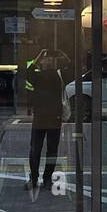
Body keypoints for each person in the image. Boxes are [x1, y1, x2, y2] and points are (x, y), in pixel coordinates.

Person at [21, 40, 69, 202]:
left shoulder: (56, 74)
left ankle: (43, 179)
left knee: (45, 149)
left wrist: (52, 54)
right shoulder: (42, 75)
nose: (47, 61)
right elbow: (28, 72)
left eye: (50, 59)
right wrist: (42, 56)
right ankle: (38, 179)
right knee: (39, 150)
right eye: (45, 59)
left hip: (50, 117)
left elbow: (70, 66)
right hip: (44, 117)